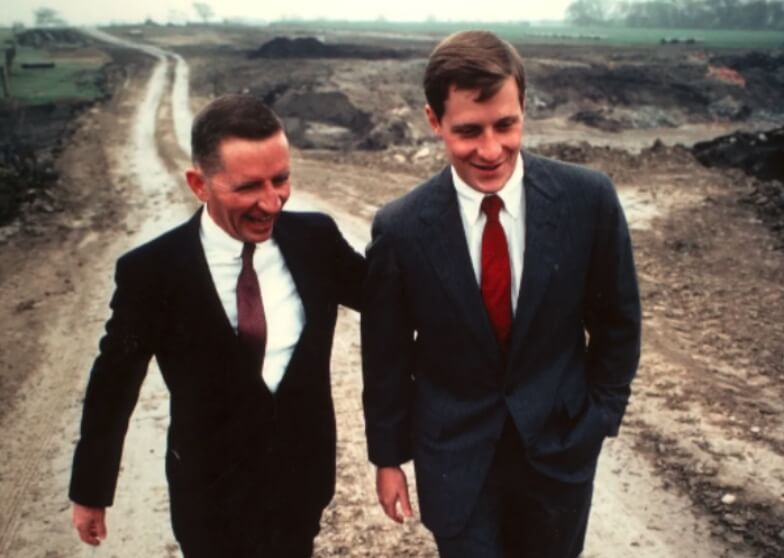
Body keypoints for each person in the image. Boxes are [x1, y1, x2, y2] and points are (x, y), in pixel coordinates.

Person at [362, 31, 641, 557]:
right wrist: (388, 458)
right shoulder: (401, 229)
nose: (490, 150)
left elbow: (619, 321)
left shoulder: (588, 200)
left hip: (559, 453)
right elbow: (386, 356)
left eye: (505, 125)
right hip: (455, 460)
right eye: (468, 131)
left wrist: (601, 415)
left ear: (523, 110)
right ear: (433, 120)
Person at [69, 94, 365, 557]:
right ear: (198, 184)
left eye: (281, 179)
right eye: (248, 187)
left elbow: (390, 300)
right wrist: (90, 490)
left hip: (299, 487)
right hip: (209, 501)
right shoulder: (153, 272)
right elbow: (113, 383)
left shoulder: (316, 240)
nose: (271, 202)